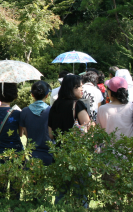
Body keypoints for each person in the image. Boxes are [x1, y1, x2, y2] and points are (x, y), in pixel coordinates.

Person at [48, 75, 91, 207]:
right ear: (71, 88)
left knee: (61, 191)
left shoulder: (55, 106)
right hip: (77, 154)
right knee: (81, 191)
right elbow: (88, 127)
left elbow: (50, 134)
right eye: (79, 87)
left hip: (60, 153)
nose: (82, 89)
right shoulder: (77, 105)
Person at [20, 81, 53, 166]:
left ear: (32, 95)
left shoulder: (25, 111)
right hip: (49, 154)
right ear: (47, 95)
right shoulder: (51, 111)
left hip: (31, 156)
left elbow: (26, 134)